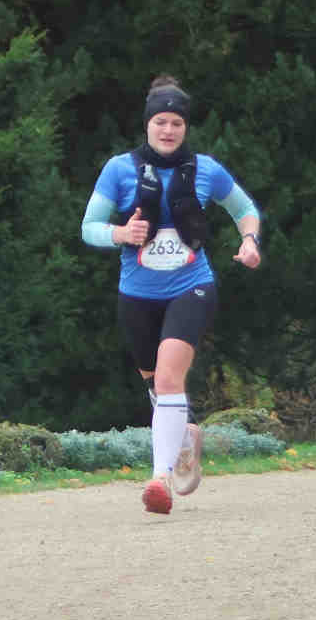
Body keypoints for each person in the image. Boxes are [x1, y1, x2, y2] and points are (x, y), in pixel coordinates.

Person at [81, 76, 262, 514]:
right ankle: (186, 434)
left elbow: (245, 209)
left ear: (185, 127)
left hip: (191, 285)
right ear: (147, 124)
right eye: (160, 121)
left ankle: (159, 479)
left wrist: (250, 241)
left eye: (176, 123)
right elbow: (89, 227)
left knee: (167, 379)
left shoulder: (206, 170)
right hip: (136, 294)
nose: (168, 130)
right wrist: (121, 232)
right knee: (157, 385)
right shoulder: (119, 169)